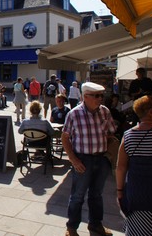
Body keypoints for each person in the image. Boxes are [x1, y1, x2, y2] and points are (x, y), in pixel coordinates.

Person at [61, 82, 117, 236]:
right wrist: (73, 159)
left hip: (101, 158)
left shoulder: (104, 112)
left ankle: (95, 225)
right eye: (96, 96)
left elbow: (111, 134)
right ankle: (71, 228)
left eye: (101, 95)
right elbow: (65, 137)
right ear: (85, 97)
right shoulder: (74, 114)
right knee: (78, 195)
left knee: (96, 195)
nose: (100, 98)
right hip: (83, 159)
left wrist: (110, 156)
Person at [116, 95, 152, 236]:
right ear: (151, 112)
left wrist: (119, 192)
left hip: (135, 194)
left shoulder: (128, 135)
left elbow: (121, 167)